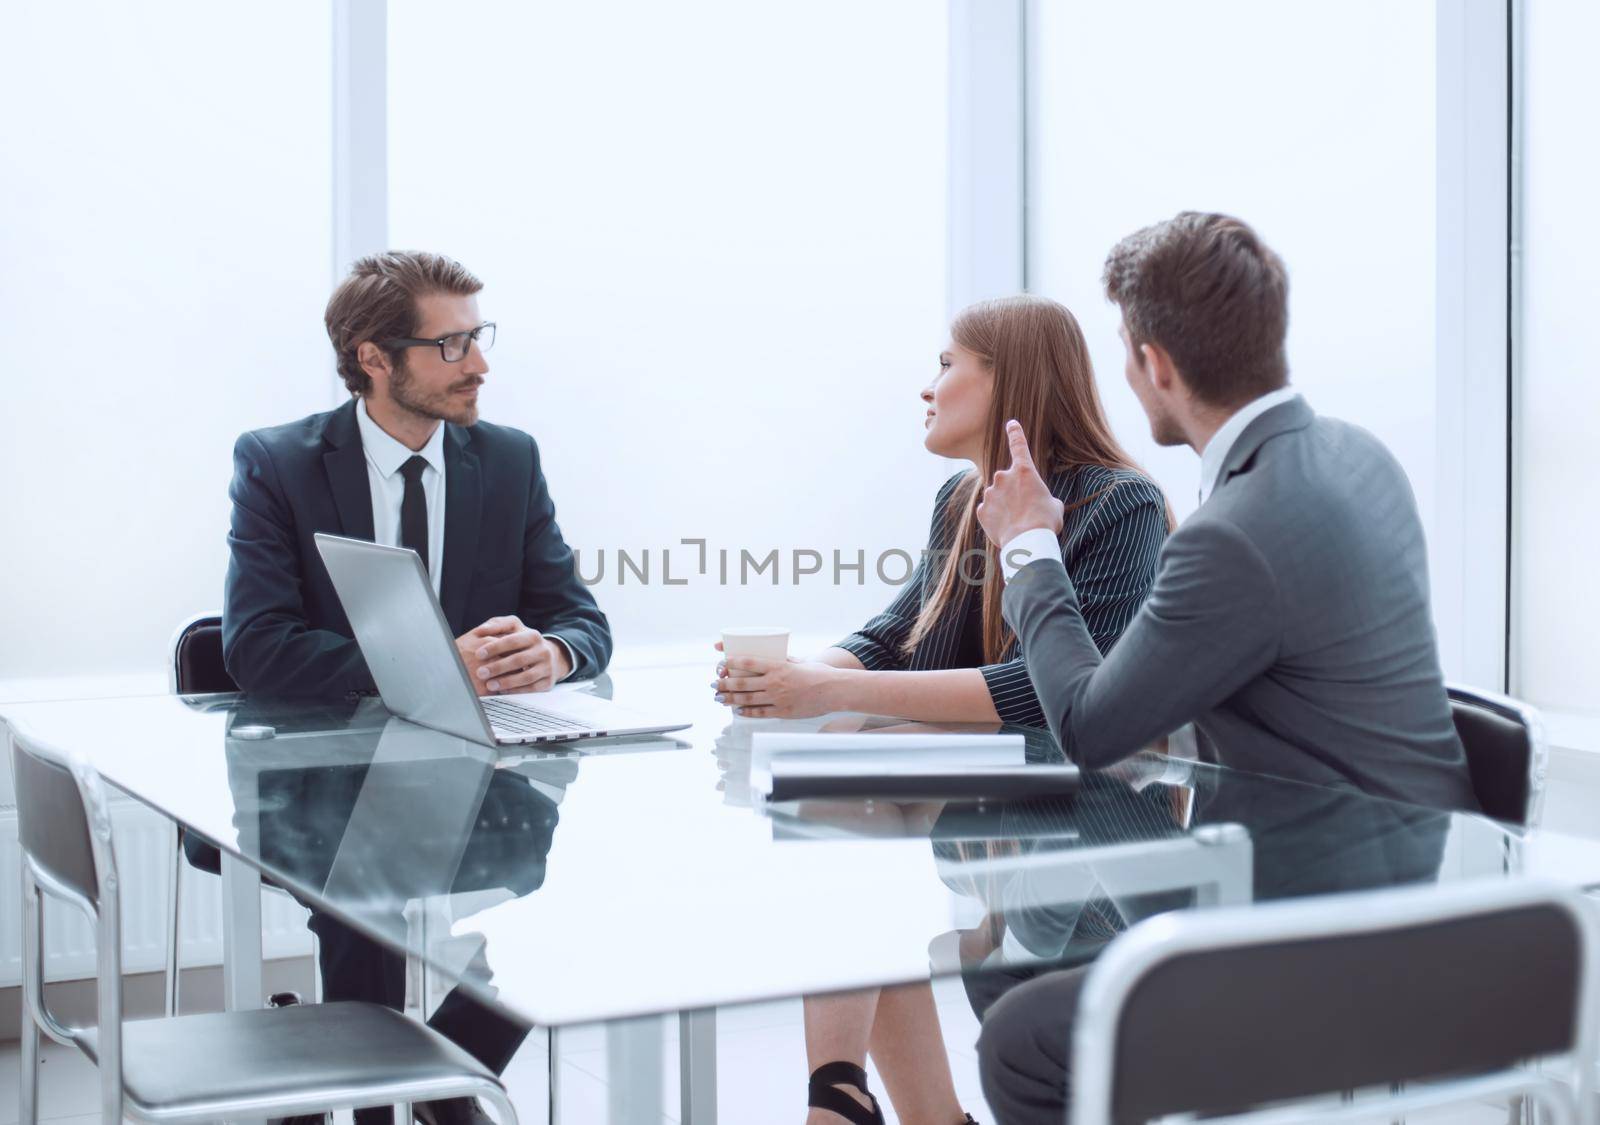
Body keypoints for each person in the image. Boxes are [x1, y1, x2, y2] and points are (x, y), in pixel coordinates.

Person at [970, 212, 1477, 1124]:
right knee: (1048, 944)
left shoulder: (1233, 533)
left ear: (1157, 364)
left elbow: (1090, 728)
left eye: (1127, 354)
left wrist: (1030, 550)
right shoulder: (1362, 459)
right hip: (1426, 907)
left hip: (1304, 941)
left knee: (1017, 1029)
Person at [713, 294, 1169, 1125]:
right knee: (844, 776)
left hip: (1096, 833)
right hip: (999, 812)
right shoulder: (963, 506)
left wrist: (832, 693)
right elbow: (897, 635)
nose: (928, 386)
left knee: (849, 773)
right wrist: (788, 681)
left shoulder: (1119, 504)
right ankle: (861, 1099)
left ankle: (850, 1099)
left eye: (947, 363)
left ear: (1011, 382)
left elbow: (1052, 691)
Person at [223, 250, 612, 1125]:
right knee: (362, 901)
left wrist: (550, 651)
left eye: (480, 338)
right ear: (374, 357)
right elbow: (256, 645)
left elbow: (584, 621)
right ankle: (374, 1090)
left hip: (484, 781)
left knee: (582, 899)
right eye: (453, 345)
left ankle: (428, 1076)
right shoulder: (279, 463)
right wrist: (420, 666)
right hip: (329, 782)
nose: (479, 364)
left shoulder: (508, 460)